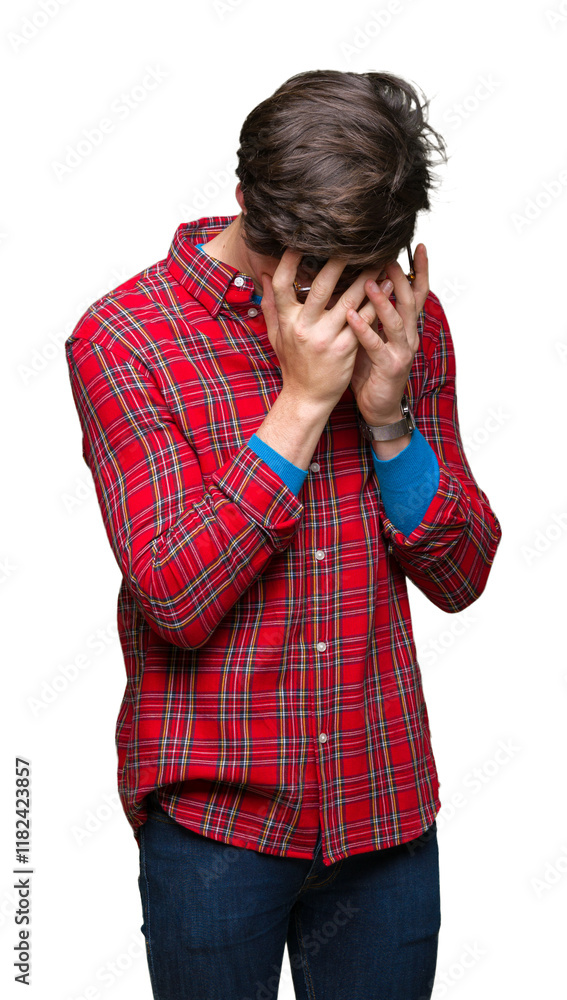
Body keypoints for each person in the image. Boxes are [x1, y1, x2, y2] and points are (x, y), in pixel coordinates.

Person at [64, 68, 502, 1000]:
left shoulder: (400, 320)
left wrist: (388, 421)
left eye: (368, 268)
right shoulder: (126, 338)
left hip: (382, 810)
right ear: (248, 207)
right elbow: (175, 597)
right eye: (318, 272)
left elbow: (462, 575)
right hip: (216, 829)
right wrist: (301, 403)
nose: (347, 301)